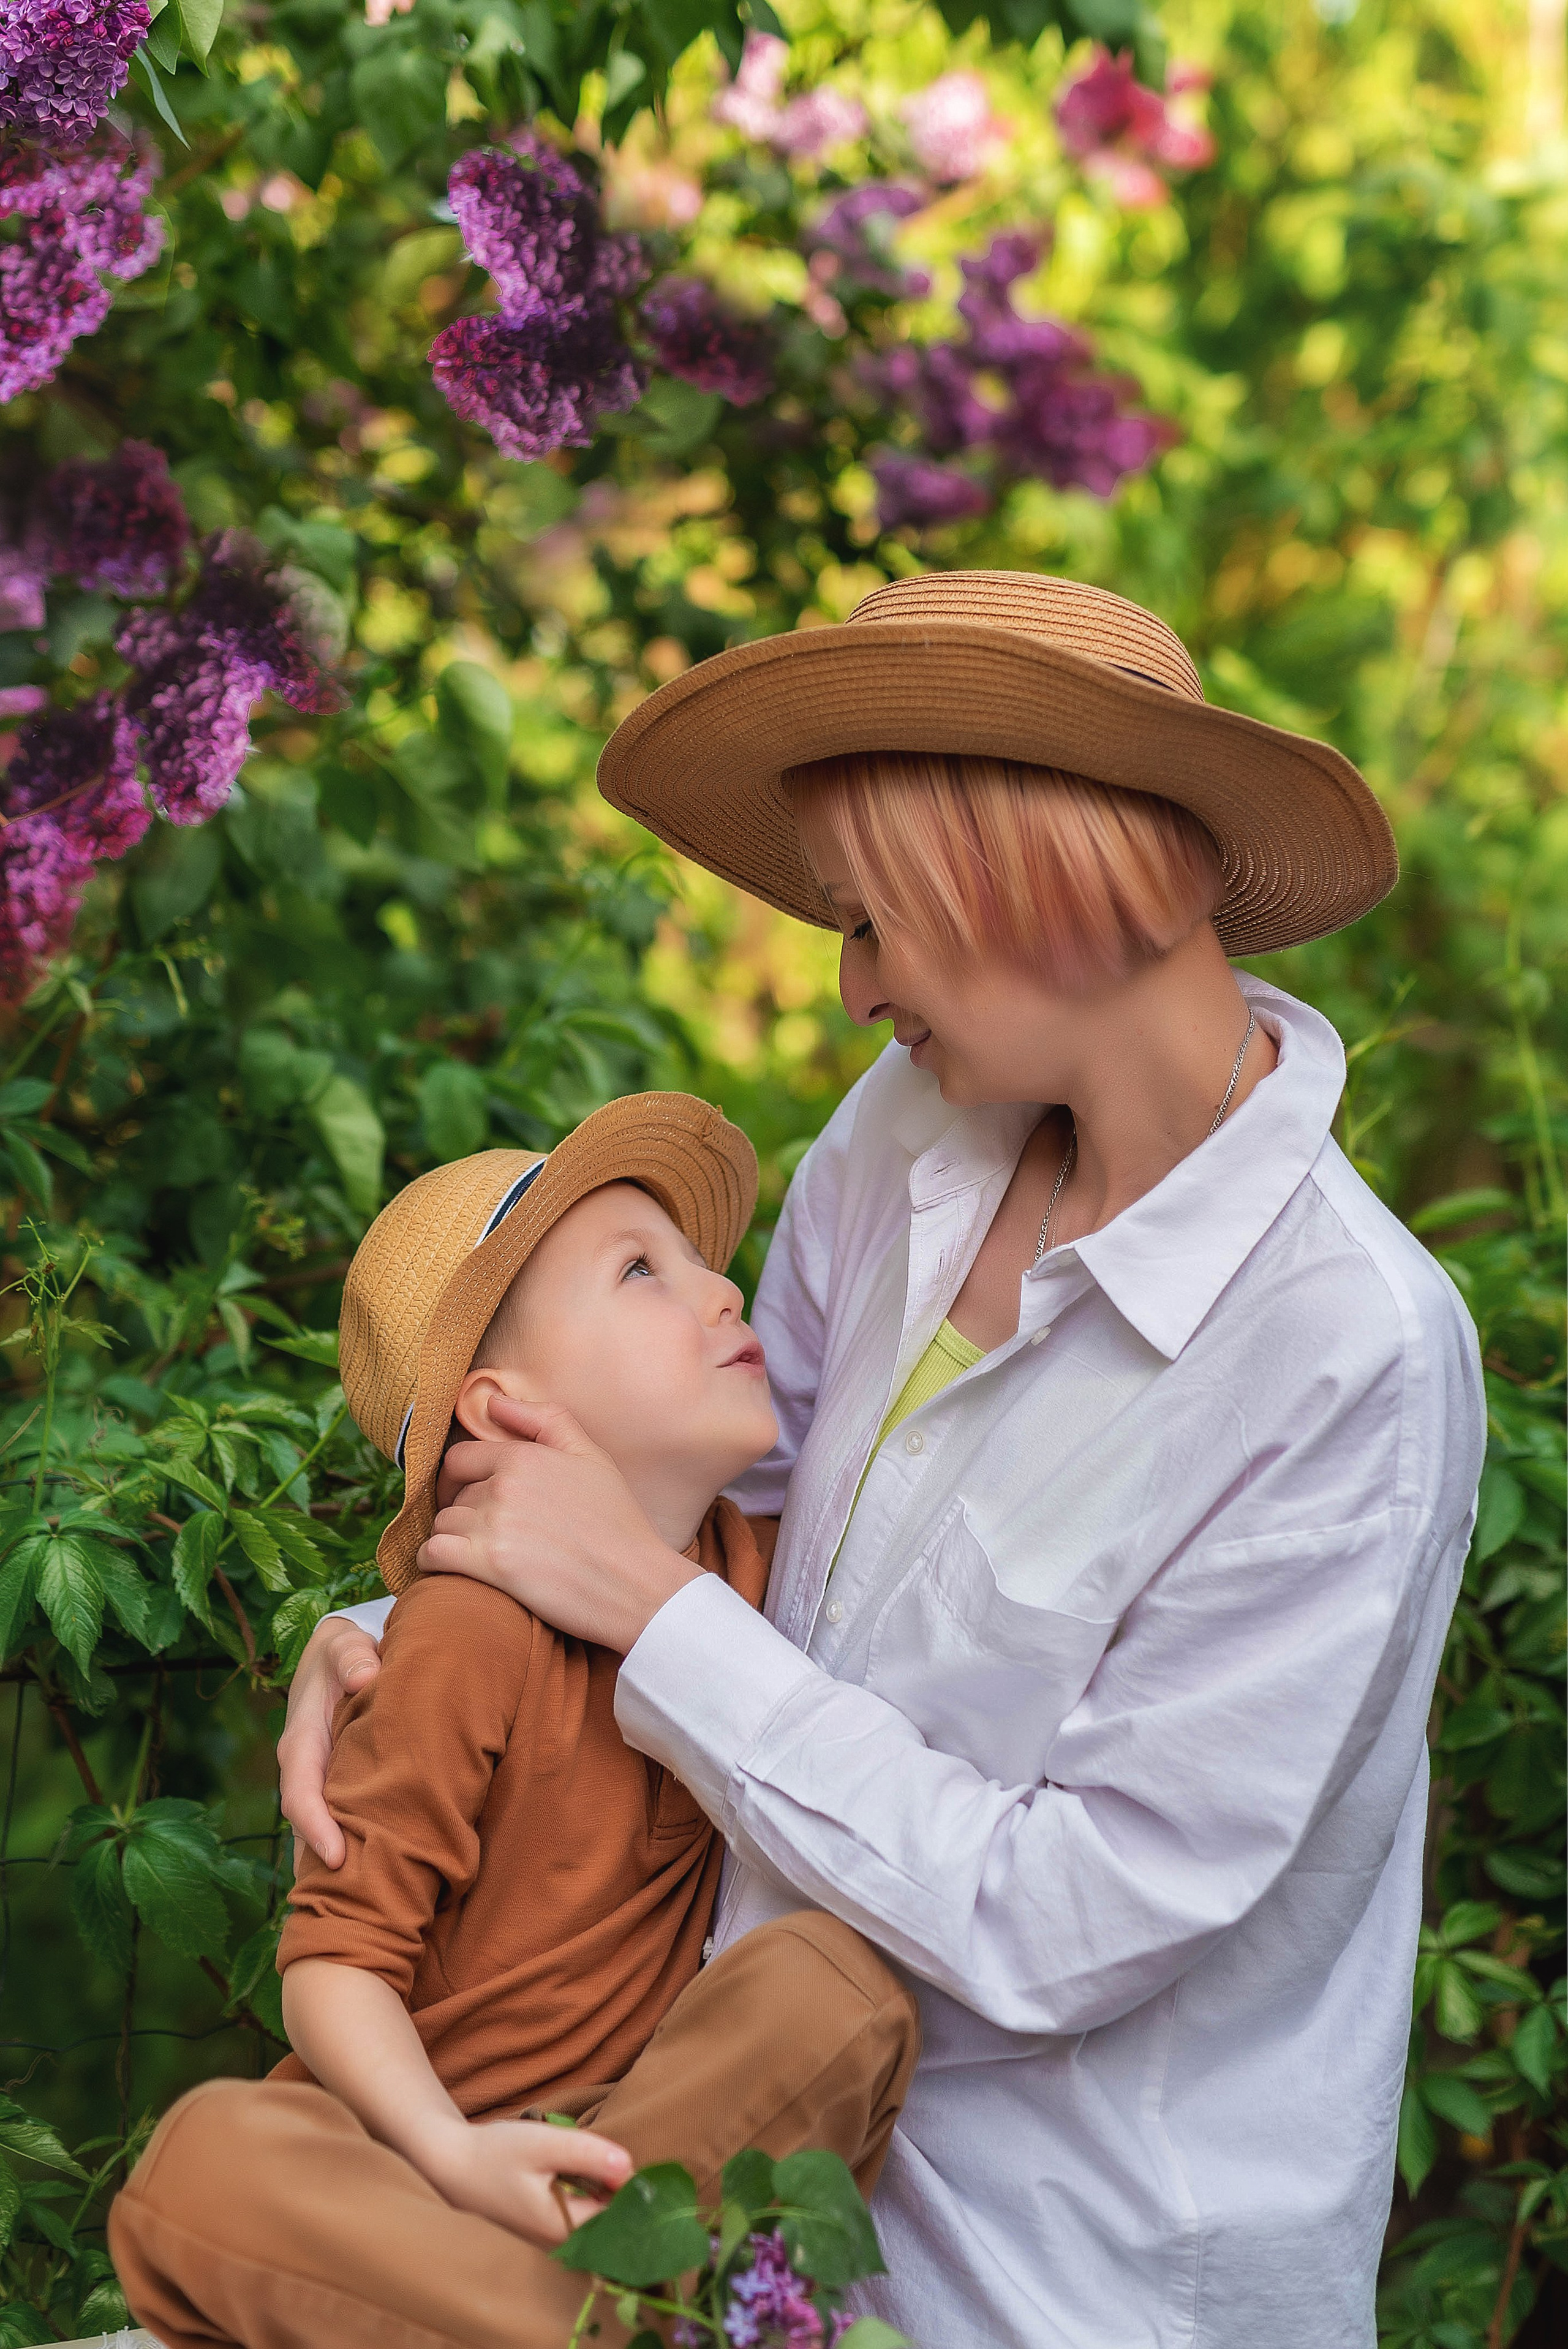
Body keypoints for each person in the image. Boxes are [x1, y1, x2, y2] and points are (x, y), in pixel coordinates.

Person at [280, 572, 1485, 2349]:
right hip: (704, 2192)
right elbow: (712, 1528)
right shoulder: (906, 1137)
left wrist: (634, 1605)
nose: (848, 989)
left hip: (1055, 2283)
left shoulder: (1348, 1351)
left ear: (1028, 881)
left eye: (869, 921)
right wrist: (403, 1624)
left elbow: (1066, 1915)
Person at [108, 1093, 919, 2349]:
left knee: (840, 1982)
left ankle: (578, 2313)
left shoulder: (758, 1575)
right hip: (411, 2171)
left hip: (631, 2166)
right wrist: (448, 2149)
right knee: (199, 2160)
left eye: (704, 1260)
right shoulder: (470, 1631)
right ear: (501, 1407)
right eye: (641, 1271)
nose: (719, 1291)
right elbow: (335, 1962)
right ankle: (596, 2325)